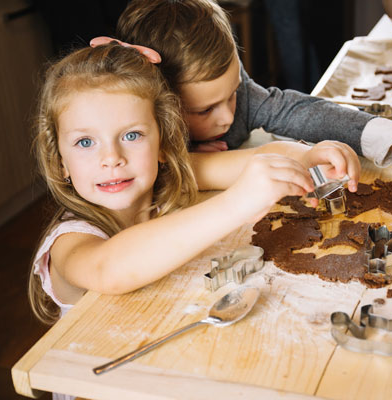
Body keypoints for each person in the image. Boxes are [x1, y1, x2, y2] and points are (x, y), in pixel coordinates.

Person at [29, 42, 361, 327]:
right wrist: (235, 204)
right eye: (85, 142)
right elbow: (109, 270)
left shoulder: (168, 176)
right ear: (60, 162)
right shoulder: (69, 241)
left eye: (132, 135)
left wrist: (309, 155)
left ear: (162, 144)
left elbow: (259, 159)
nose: (111, 157)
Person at [92, 0, 392, 198]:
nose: (228, 115)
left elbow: (304, 111)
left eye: (234, 93)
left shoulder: (238, 99)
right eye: (204, 109)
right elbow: (177, 174)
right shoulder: (128, 137)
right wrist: (293, 155)